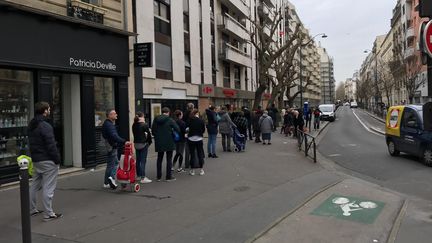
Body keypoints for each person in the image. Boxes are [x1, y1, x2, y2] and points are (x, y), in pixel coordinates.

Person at [28, 101, 62, 221]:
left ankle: (32, 209)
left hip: (36, 159)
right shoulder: (45, 126)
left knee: (34, 184)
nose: (49, 111)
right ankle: (48, 214)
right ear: (44, 111)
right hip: (47, 160)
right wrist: (57, 160)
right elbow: (51, 145)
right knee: (49, 187)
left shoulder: (32, 125)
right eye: (48, 109)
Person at [152, 107, 180, 182]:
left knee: (159, 158)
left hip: (159, 142)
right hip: (169, 142)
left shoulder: (156, 119)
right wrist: (172, 130)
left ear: (162, 112)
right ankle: (168, 176)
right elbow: (177, 129)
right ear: (168, 112)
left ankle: (158, 177)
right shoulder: (170, 119)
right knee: (169, 159)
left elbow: (153, 130)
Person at [102, 108, 127, 189]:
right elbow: (114, 136)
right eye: (114, 113)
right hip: (112, 147)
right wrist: (124, 141)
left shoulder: (108, 124)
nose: (116, 114)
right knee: (112, 164)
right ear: (109, 115)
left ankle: (107, 183)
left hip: (111, 146)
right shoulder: (109, 125)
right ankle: (111, 179)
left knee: (115, 163)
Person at [132, 112, 152, 184]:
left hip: (136, 144)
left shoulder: (134, 125)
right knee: (143, 161)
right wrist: (149, 142)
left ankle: (138, 175)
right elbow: (149, 135)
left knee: (138, 160)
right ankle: (143, 177)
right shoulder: (144, 125)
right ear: (142, 117)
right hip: (143, 144)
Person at [187, 109, 206, 176]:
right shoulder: (201, 121)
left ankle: (192, 171)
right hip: (199, 139)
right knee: (200, 154)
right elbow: (203, 130)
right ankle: (201, 170)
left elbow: (187, 129)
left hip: (191, 139)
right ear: (197, 113)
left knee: (192, 155)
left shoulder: (189, 120)